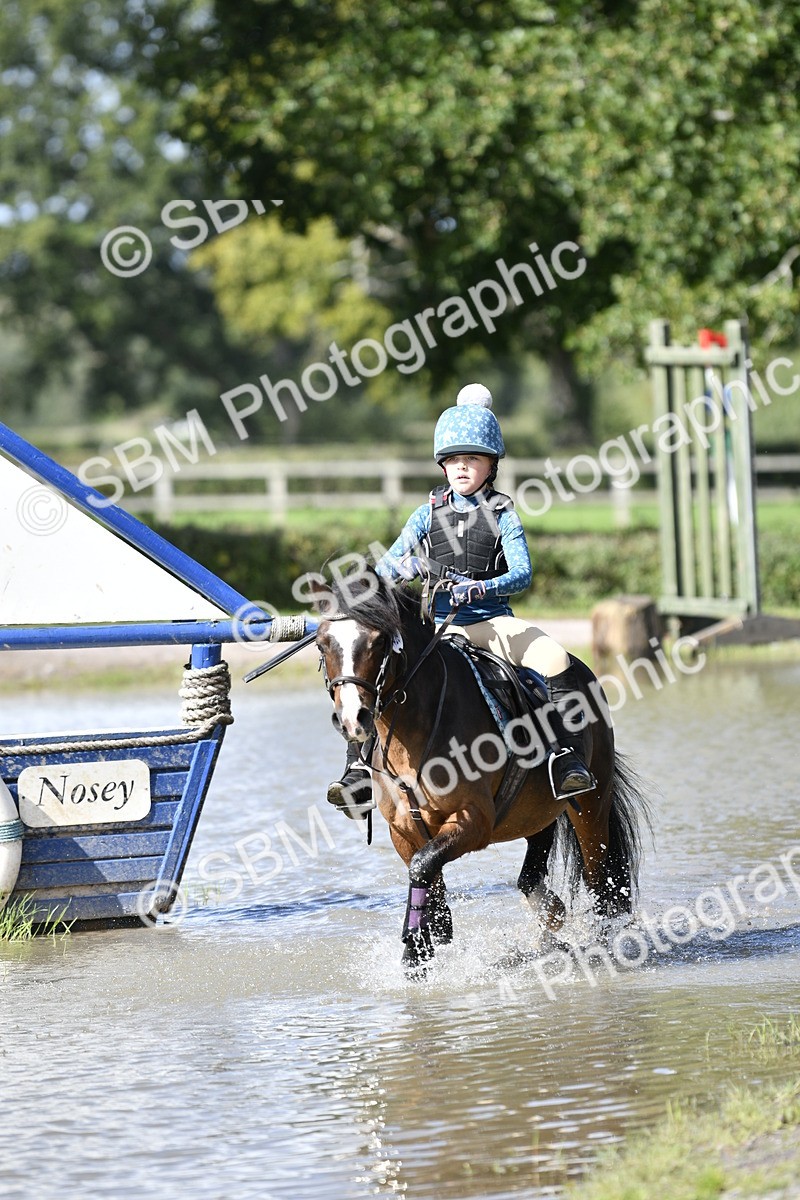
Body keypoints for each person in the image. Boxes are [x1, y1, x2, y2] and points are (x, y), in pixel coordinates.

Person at [326, 383, 596, 819]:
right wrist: (407, 568)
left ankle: (565, 760)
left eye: (472, 459)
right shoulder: (425, 513)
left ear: (492, 465)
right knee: (374, 675)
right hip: (438, 630)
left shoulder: (504, 513)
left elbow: (522, 573)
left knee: (554, 658)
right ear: (443, 465)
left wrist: (481, 588)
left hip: (492, 624)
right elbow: (388, 567)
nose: (461, 467)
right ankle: (358, 769)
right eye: (453, 460)